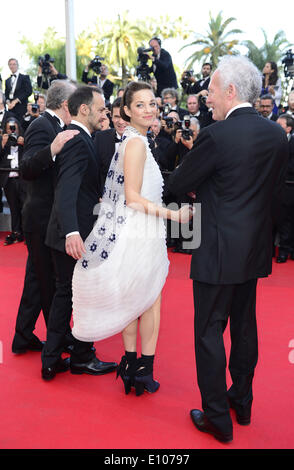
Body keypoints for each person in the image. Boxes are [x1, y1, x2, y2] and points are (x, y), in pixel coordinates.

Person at [169, 55, 289, 443]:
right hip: (253, 249)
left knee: (208, 331)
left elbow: (177, 184)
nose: (208, 99)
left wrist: (194, 188)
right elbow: (272, 195)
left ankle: (217, 417)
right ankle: (242, 401)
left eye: (213, 91)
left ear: (232, 91)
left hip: (215, 248)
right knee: (244, 328)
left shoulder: (216, 135)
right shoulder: (275, 134)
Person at [71, 81, 192, 396]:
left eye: (152, 103)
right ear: (125, 110)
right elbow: (133, 198)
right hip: (140, 230)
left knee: (135, 300)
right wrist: (175, 215)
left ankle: (130, 366)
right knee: (149, 301)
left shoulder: (132, 140)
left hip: (137, 230)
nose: (150, 109)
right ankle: (143, 371)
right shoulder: (136, 144)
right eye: (140, 104)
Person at [43, 85, 118, 381]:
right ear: (84, 109)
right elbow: (66, 190)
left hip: (67, 232)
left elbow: (78, 189)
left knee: (66, 294)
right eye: (101, 109)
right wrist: (72, 232)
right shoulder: (77, 140)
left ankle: (53, 358)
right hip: (72, 235)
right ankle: (80, 357)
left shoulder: (80, 138)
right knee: (80, 295)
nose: (105, 113)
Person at [11, 80, 78, 355]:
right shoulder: (42, 126)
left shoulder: (57, 127)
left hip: (45, 217)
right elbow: (26, 168)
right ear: (65, 104)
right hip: (40, 219)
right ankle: (57, 339)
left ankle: (23, 336)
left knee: (37, 279)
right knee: (48, 278)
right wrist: (52, 149)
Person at [93, 97, 128, 196]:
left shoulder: (145, 142)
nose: (121, 122)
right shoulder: (100, 138)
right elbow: (94, 172)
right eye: (117, 116)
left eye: (124, 117)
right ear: (111, 116)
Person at [0, 118, 26, 245]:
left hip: (22, 179)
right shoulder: (3, 142)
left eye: (14, 128)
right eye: (9, 128)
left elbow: (30, 157)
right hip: (8, 179)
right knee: (14, 207)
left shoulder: (23, 140)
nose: (12, 131)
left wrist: (24, 144)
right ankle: (16, 232)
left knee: (25, 206)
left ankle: (26, 232)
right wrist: (3, 145)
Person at [275, 114, 294, 262]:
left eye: (279, 126)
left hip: (289, 186)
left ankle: (284, 250)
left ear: (288, 128)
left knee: (286, 220)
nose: (275, 127)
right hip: (273, 187)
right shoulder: (271, 141)